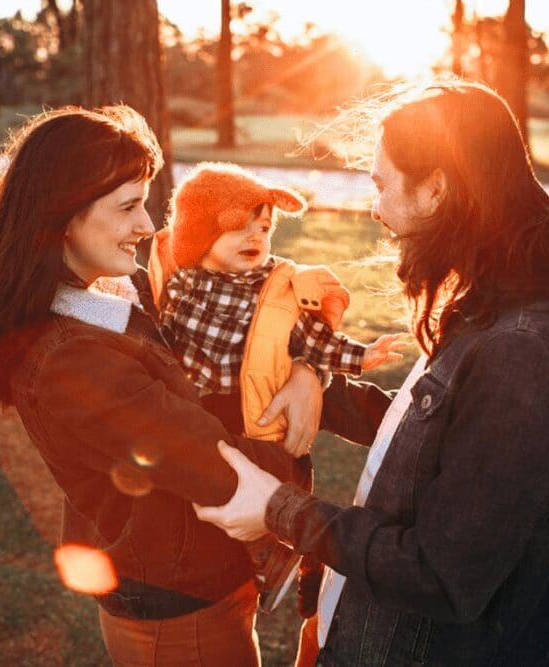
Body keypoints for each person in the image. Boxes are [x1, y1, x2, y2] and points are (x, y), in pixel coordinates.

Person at [194, 79, 549, 666]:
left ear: (437, 188)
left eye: (382, 185)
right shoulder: (503, 305)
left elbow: (440, 574)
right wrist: (313, 380)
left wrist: (279, 509)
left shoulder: (527, 355)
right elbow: (447, 444)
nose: (375, 209)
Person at [0, 105, 327, 666]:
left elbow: (237, 348)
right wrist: (301, 465)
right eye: (128, 206)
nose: (148, 227)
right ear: (62, 217)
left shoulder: (112, 297)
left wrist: (306, 371)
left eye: (145, 204)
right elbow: (212, 464)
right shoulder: (71, 358)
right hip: (177, 608)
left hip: (198, 577)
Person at [149, 162, 405, 612]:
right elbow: (160, 339)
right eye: (239, 227)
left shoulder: (275, 289)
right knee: (216, 487)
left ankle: (291, 556)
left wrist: (362, 356)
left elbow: (315, 340)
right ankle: (277, 558)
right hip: (206, 409)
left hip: (261, 399)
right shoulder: (178, 285)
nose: (256, 237)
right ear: (199, 236)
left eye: (265, 228)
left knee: (271, 478)